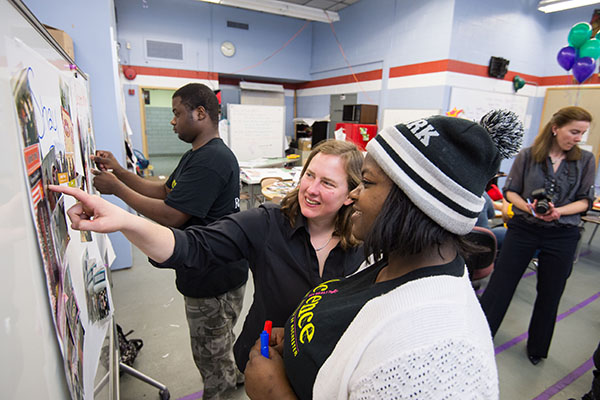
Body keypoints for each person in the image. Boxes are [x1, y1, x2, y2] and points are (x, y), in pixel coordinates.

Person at [242, 110, 524, 399]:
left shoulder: (438, 358)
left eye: (367, 182)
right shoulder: (391, 259)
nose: (352, 196)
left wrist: (274, 393)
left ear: (412, 202)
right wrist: (294, 337)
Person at [52, 139, 365, 373]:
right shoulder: (268, 223)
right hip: (267, 355)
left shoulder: (365, 241)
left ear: (352, 194)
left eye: (327, 183)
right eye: (309, 176)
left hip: (326, 362)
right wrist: (124, 220)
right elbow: (191, 246)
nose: (310, 189)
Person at [91, 83, 249, 399]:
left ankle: (220, 388)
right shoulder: (197, 155)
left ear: (200, 113)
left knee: (209, 352)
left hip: (214, 276)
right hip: (211, 268)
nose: (173, 121)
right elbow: (166, 192)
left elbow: (172, 215)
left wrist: (117, 191)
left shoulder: (212, 160)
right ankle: (230, 374)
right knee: (218, 341)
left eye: (177, 113)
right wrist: (120, 173)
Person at [480, 106, 596, 366]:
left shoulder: (586, 161)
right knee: (500, 285)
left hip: (563, 234)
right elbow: (511, 192)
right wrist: (529, 207)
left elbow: (585, 201)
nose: (578, 138)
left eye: (583, 133)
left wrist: (558, 212)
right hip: (524, 229)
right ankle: (483, 335)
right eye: (574, 131)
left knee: (550, 292)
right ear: (556, 128)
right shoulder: (528, 156)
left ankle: (537, 348)